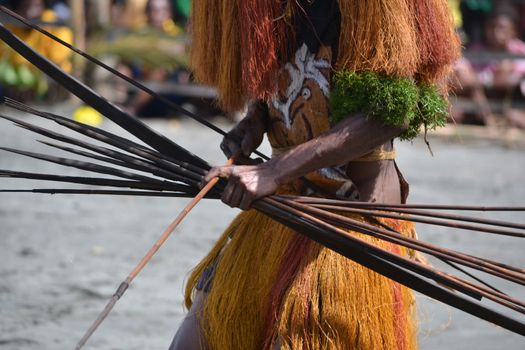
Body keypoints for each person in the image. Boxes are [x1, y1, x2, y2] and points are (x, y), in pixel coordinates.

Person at [170, 1, 460, 349]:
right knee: (193, 342)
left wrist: (274, 170)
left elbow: (390, 114)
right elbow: (280, 80)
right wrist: (255, 121)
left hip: (352, 219)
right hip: (283, 207)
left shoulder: (374, 10)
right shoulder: (274, 9)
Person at [451, 3, 525, 128]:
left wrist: (481, 82)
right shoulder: (477, 50)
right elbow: (461, 73)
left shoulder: (519, 51)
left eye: (502, 28)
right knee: (457, 110)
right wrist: (477, 84)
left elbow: (514, 81)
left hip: (510, 103)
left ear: (513, 31)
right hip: (479, 102)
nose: (496, 33)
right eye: (492, 27)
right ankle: (488, 120)